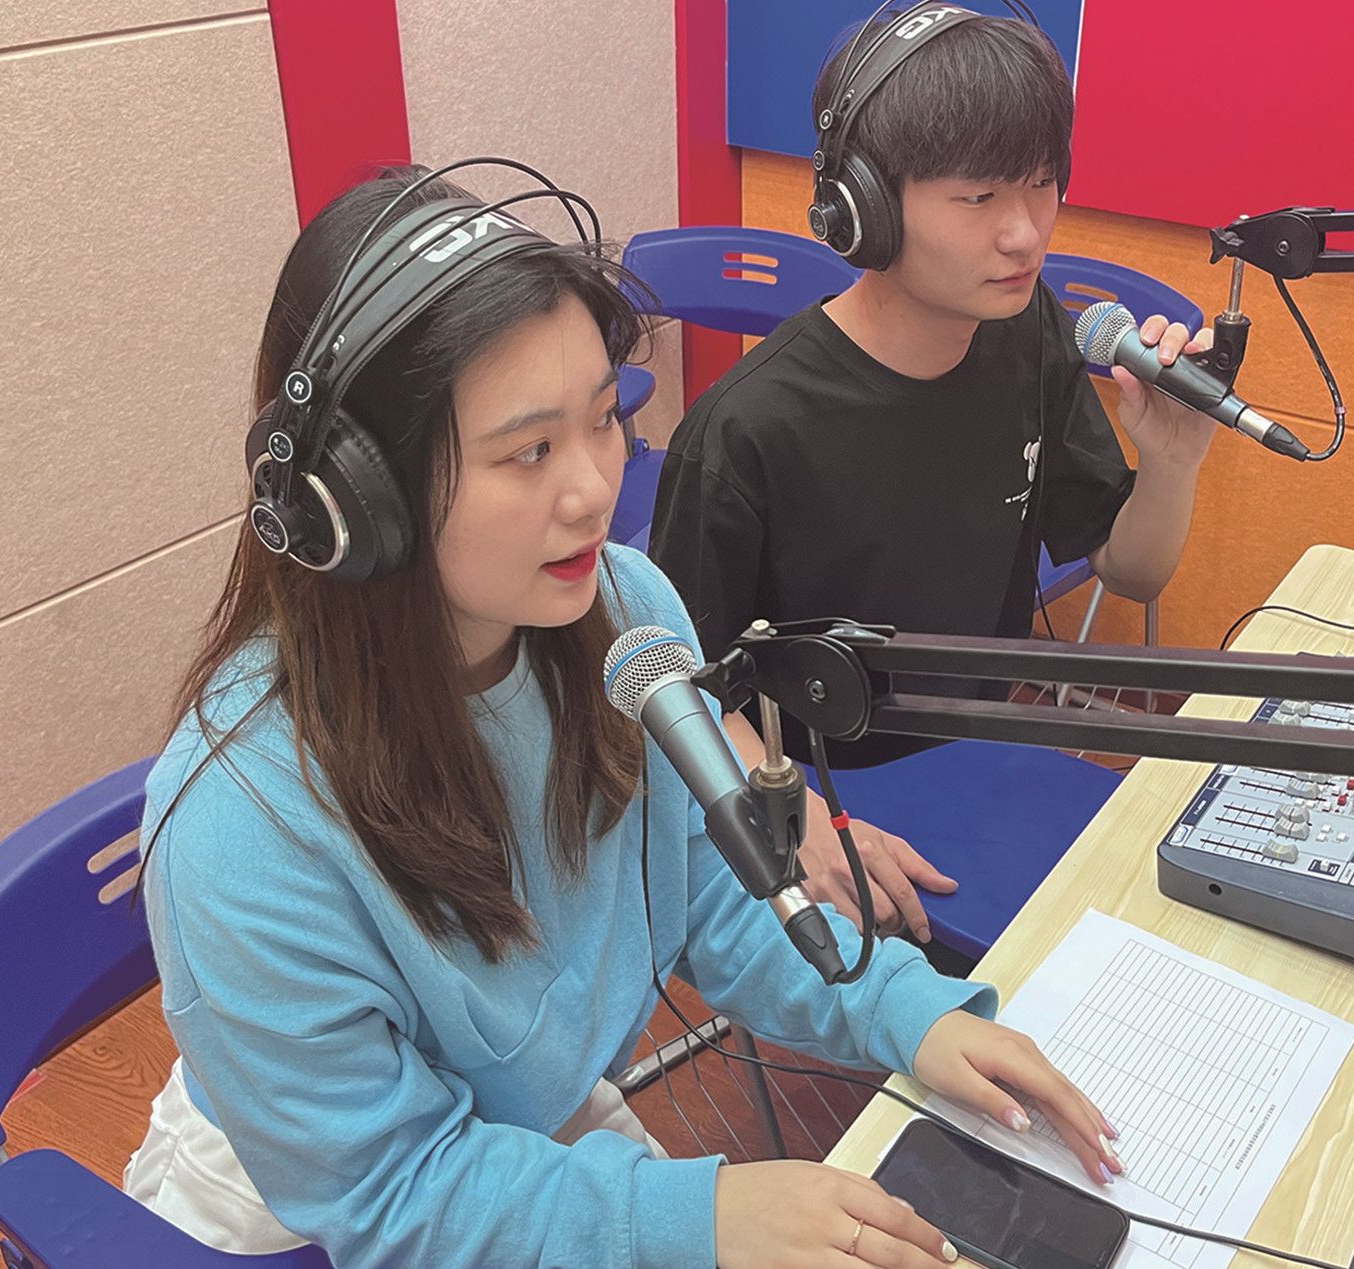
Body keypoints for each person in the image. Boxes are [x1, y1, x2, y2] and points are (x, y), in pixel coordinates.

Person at [121, 164, 1124, 1268]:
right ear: (359, 501)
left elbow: (710, 894)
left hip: (523, 1127)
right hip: (305, 1207)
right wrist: (695, 1216)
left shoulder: (623, 613)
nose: (596, 487)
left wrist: (904, 1009)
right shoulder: (240, 829)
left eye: (603, 420)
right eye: (529, 451)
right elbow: (390, 1189)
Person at [649, 7, 1219, 946]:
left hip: (982, 754)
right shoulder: (748, 428)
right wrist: (796, 818)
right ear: (862, 208)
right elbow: (678, 688)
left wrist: (1172, 458)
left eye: (1042, 185)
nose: (1025, 234)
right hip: (829, 790)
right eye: (979, 197)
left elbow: (1132, 569)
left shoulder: (1029, 332)